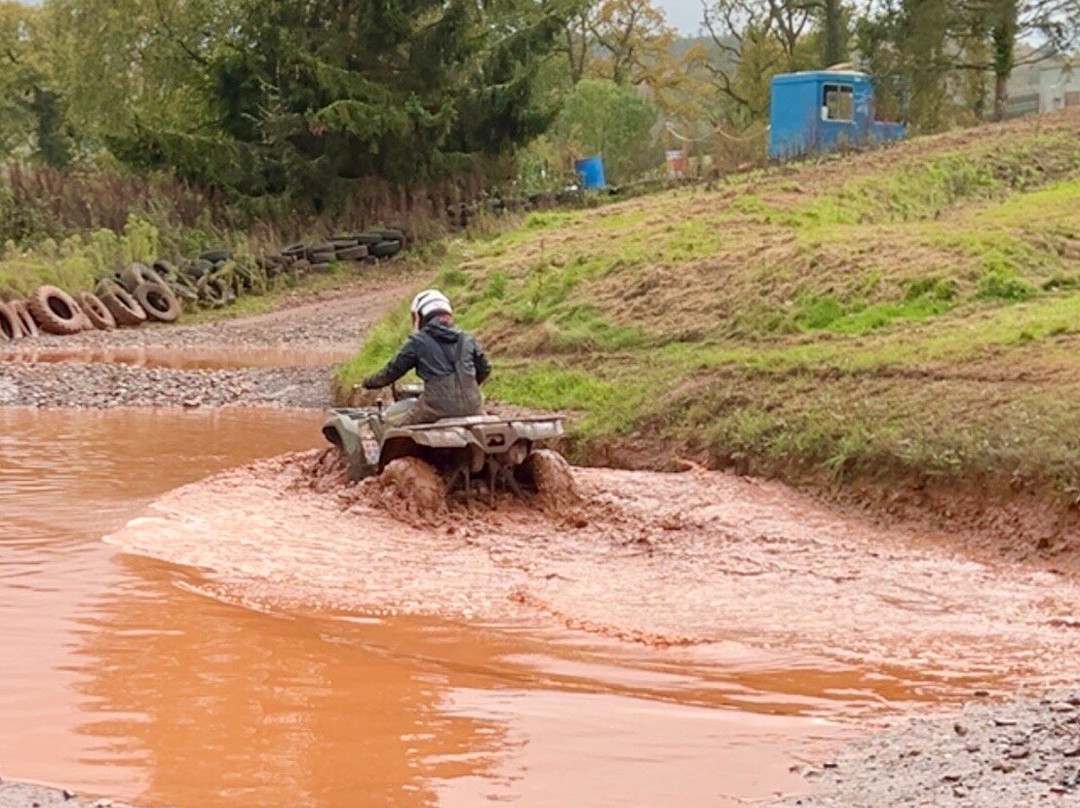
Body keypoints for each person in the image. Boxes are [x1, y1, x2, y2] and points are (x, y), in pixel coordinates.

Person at [361, 289, 491, 425]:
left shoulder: (418, 341)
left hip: (434, 409)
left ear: (422, 317)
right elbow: (485, 369)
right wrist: (465, 385)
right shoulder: (467, 339)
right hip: (473, 407)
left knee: (396, 430)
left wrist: (368, 382)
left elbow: (392, 371)